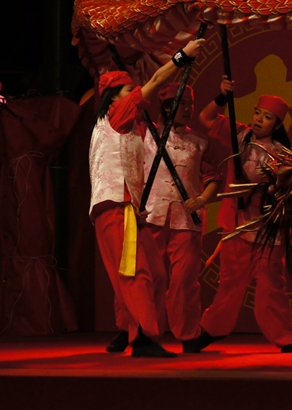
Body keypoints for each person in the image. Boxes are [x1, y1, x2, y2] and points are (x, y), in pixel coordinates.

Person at [89, 36, 204, 358]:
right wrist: (182, 56)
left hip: (127, 207)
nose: (135, 94)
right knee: (135, 271)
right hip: (114, 205)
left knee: (155, 272)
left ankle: (138, 332)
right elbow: (154, 82)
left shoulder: (127, 125)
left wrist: (136, 207)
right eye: (129, 90)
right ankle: (142, 337)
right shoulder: (117, 112)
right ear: (114, 96)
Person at [191, 84, 292, 352]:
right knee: (230, 283)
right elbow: (206, 118)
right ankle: (213, 328)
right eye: (257, 113)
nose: (259, 119)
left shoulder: (284, 154)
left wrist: (273, 187)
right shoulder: (240, 135)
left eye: (267, 117)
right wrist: (222, 96)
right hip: (237, 225)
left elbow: (289, 192)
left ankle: (287, 336)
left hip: (268, 229)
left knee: (271, 286)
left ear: (278, 124)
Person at [142, 83, 220, 352]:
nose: (187, 109)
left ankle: (187, 333)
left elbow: (213, 177)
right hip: (151, 214)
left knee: (184, 279)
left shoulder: (199, 142)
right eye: (181, 104)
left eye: (190, 104)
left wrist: (202, 199)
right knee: (150, 276)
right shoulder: (147, 135)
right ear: (167, 107)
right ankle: (146, 332)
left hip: (187, 218)